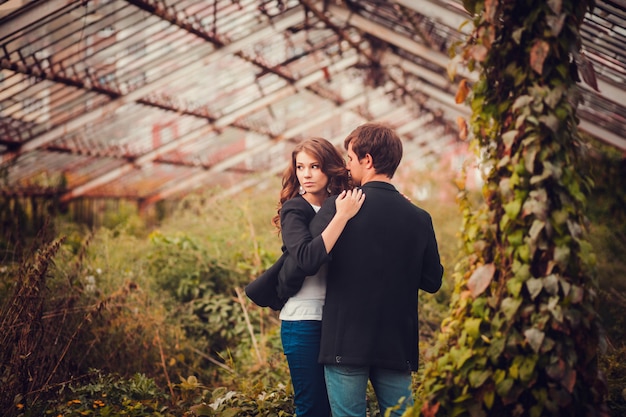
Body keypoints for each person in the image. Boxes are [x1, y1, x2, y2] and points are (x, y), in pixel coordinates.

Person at [306, 123, 444, 417]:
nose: (347, 164)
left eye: (350, 157)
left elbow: (309, 258)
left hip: (345, 341)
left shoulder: (337, 209)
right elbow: (432, 281)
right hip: (396, 343)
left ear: (367, 160)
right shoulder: (419, 217)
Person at [273, 137, 365, 417]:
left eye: (314, 166)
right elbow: (307, 259)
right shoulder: (295, 210)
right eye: (300, 167)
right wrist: (341, 217)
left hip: (338, 320)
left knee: (337, 407)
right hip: (302, 321)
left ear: (329, 168)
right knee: (312, 408)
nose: (307, 174)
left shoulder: (347, 201)